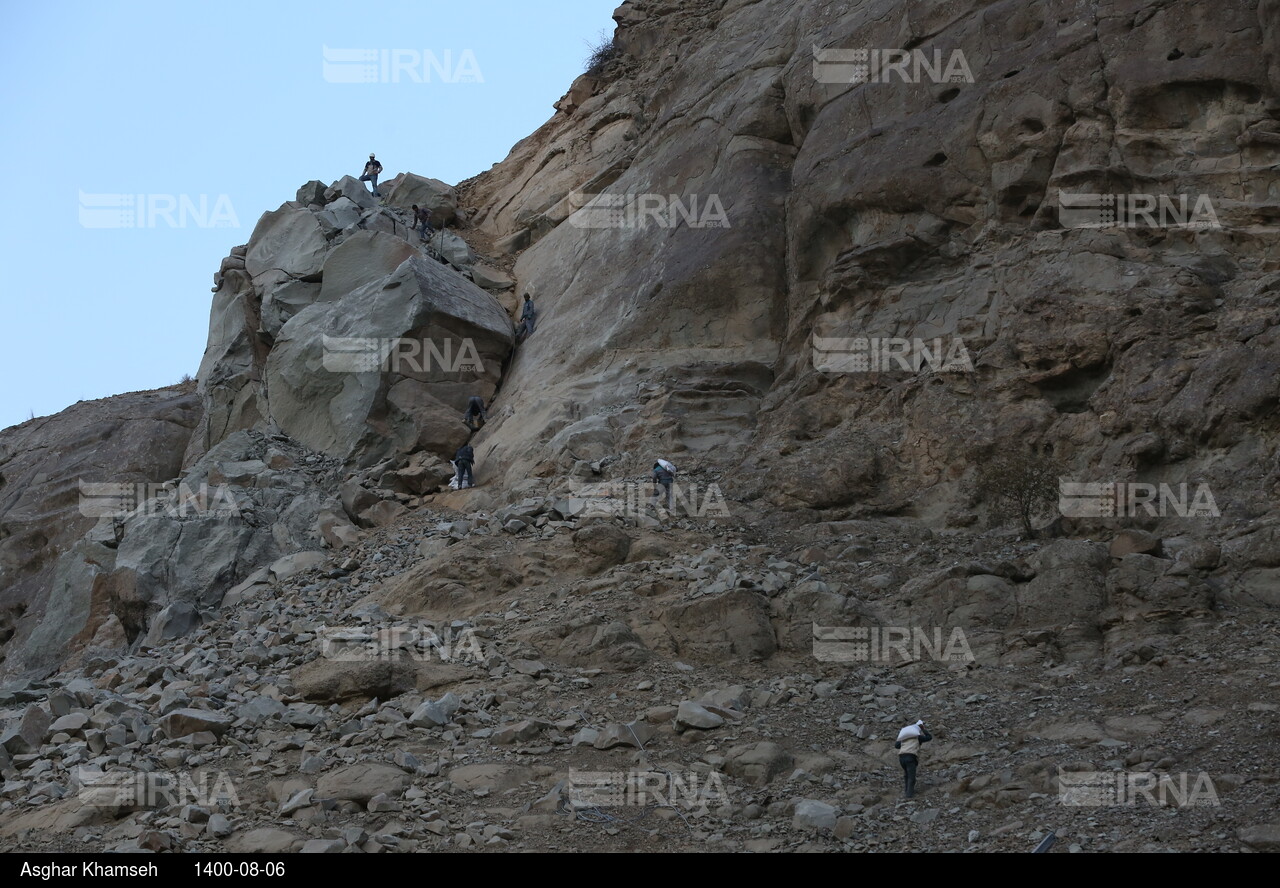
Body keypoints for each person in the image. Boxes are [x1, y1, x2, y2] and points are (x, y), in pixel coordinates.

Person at [893, 719, 933, 799]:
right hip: (910, 757)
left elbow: (896, 745)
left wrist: (901, 738)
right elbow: (929, 737)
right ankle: (909, 795)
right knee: (911, 777)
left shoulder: (904, 739)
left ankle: (907, 791)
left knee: (906, 775)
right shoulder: (918, 738)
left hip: (901, 758)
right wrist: (923, 729)